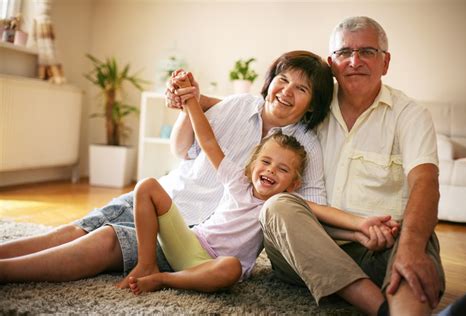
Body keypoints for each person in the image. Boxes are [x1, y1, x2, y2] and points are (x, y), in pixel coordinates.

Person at [168, 16, 445, 316]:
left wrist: (411, 247)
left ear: (385, 62)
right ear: (332, 62)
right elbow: (265, 107)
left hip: (384, 238)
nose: (354, 61)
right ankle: (377, 307)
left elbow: (425, 183)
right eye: (344, 53)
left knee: (414, 254)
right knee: (278, 206)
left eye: (367, 51)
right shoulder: (314, 111)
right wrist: (197, 99)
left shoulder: (409, 114)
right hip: (305, 244)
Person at [0, 51, 334, 286]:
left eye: (301, 88)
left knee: (104, 242)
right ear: (270, 80)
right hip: (168, 196)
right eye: (283, 79)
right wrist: (188, 102)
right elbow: (183, 148)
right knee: (73, 231)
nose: (286, 91)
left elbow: (307, 209)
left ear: (313, 104)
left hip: (194, 236)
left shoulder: (306, 148)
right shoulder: (237, 105)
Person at [124, 71, 399, 295]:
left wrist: (361, 227)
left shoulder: (280, 207)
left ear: (293, 184)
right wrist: (192, 101)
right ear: (252, 165)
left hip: (216, 268)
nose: (270, 172)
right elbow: (207, 141)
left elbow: (323, 214)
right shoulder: (237, 180)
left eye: (281, 170)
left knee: (231, 268)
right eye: (265, 163)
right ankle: (146, 264)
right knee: (147, 186)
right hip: (191, 244)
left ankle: (165, 280)